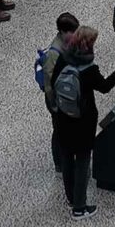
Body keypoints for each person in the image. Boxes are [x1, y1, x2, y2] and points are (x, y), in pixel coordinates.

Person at [51, 23, 115, 216]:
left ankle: (70, 197)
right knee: (82, 162)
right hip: (82, 123)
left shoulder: (63, 59)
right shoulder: (89, 70)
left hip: (63, 119)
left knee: (67, 158)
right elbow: (105, 86)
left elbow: (52, 82)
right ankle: (80, 208)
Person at [39, 9, 81, 180]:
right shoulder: (53, 54)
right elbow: (49, 84)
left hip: (68, 95)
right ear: (63, 32)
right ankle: (59, 163)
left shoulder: (68, 44)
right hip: (57, 99)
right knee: (59, 130)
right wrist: (54, 104)